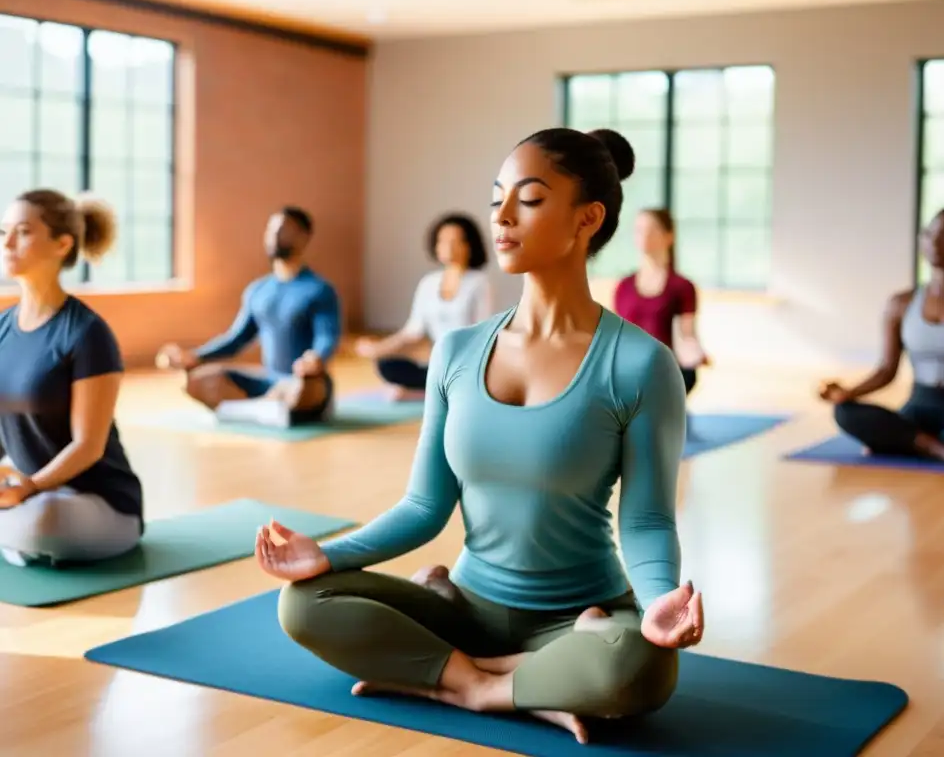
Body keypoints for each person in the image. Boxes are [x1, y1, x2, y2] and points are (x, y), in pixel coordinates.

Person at [254, 127, 703, 745]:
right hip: (466, 609)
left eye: (530, 198)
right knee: (302, 603)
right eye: (497, 199)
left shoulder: (640, 365)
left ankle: (465, 679)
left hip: (581, 615)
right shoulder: (458, 352)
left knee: (642, 667)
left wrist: (657, 602)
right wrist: (329, 555)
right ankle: (504, 683)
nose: (502, 216)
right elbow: (423, 507)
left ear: (588, 218)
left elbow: (648, 521)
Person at [0, 189, 143, 567]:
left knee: (47, 519)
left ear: (62, 244)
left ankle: (21, 538)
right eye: (3, 232)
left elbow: (88, 446)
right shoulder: (1, 329)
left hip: (95, 504)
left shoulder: (86, 332)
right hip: (27, 498)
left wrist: (31, 485)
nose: (8, 243)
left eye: (23, 232)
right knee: (37, 514)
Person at [820, 208, 944, 469]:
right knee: (845, 412)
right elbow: (885, 370)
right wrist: (849, 392)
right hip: (915, 412)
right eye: (929, 234)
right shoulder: (900, 304)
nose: (935, 243)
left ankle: (910, 444)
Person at [157, 207, 341, 427]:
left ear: (304, 237)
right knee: (195, 380)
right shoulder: (258, 290)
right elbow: (236, 340)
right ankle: (269, 408)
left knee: (305, 387)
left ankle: (254, 409)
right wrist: (194, 357)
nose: (275, 236)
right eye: (271, 230)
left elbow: (327, 337)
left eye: (283, 230)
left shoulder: (319, 290)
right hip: (268, 380)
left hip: (299, 382)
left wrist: (315, 358)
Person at [355, 213, 492, 401]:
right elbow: (413, 331)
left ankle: (427, 393)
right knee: (387, 365)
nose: (448, 247)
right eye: (442, 241)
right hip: (436, 363)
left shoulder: (479, 282)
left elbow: (483, 333)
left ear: (470, 245)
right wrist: (379, 348)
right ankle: (437, 392)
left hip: (467, 364)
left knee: (473, 377)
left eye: (455, 241)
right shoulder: (428, 283)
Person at [613, 208, 708, 393]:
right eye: (639, 230)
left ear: (669, 237)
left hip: (666, 375)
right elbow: (617, 338)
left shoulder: (682, 287)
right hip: (629, 376)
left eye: (652, 230)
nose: (645, 236)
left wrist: (695, 353)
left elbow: (687, 335)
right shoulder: (623, 287)